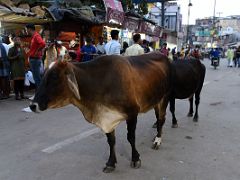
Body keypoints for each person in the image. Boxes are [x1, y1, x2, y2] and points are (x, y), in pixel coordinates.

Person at [25, 23, 45, 89]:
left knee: (37, 78)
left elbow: (42, 44)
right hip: (34, 59)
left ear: (29, 29)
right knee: (36, 77)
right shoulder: (34, 36)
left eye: (26, 29)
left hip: (35, 59)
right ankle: (38, 93)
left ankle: (39, 94)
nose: (26, 31)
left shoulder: (36, 35)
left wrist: (36, 52)